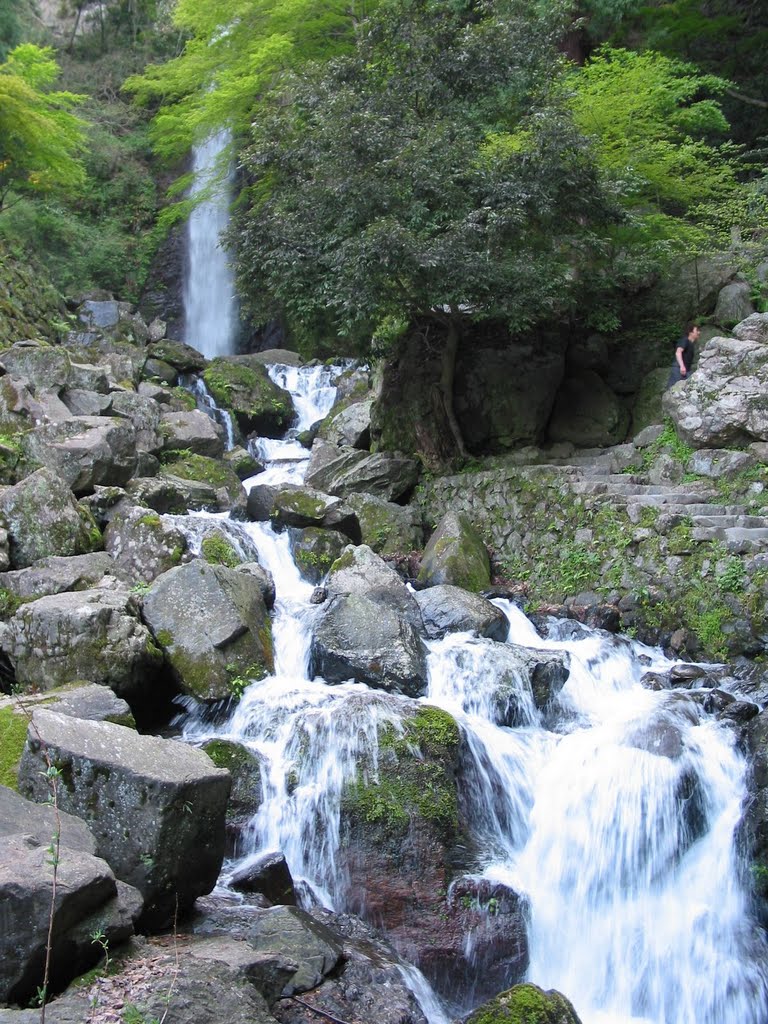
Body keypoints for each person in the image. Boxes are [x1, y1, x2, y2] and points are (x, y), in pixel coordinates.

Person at [666, 322, 701, 388]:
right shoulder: (684, 340)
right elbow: (678, 352)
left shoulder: (691, 344)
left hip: (686, 371)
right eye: (697, 330)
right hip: (679, 370)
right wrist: (682, 366)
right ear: (690, 332)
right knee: (673, 390)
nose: (699, 332)